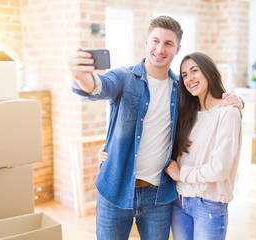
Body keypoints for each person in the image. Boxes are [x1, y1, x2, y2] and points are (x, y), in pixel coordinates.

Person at [70, 15, 243, 240]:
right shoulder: (124, 78)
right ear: (146, 42)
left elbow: (206, 109)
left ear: (177, 49)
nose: (160, 49)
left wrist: (238, 102)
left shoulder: (180, 92)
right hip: (115, 188)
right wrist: (81, 76)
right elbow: (98, 87)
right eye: (155, 41)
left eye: (168, 44)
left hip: (158, 196)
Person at [164, 52, 242, 240]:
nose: (189, 78)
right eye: (184, 75)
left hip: (209, 204)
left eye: (194, 71)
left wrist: (180, 174)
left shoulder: (227, 113)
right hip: (179, 200)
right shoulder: (185, 114)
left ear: (210, 73)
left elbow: (219, 169)